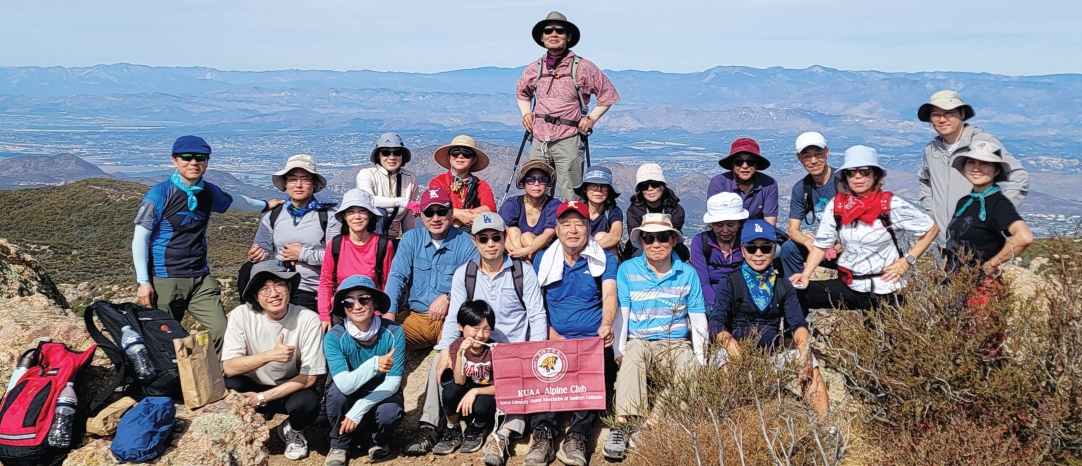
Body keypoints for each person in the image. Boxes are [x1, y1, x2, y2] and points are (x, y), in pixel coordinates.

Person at [132, 135, 281, 353]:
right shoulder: (159, 195)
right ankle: (172, 383)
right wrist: (144, 282)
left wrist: (266, 205)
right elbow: (140, 239)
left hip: (200, 277)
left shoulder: (208, 192)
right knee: (165, 339)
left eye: (200, 157)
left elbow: (235, 202)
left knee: (221, 330)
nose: (194, 162)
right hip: (166, 278)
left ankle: (216, 381)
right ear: (175, 161)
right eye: (187, 157)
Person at [425, 212, 547, 465]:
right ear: (474, 242)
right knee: (438, 368)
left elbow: (536, 314)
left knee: (518, 386)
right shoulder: (465, 274)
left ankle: (500, 432)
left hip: (511, 352)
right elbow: (454, 316)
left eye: (495, 237)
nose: (490, 244)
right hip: (476, 349)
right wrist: (446, 349)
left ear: (504, 238)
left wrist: (534, 351)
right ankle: (431, 426)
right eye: (483, 238)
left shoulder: (522, 272)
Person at [604, 213, 708, 460]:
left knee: (689, 366)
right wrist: (619, 350)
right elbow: (623, 313)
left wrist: (701, 358)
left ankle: (652, 423)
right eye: (649, 238)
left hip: (675, 342)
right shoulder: (628, 270)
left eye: (662, 237)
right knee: (633, 353)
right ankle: (622, 424)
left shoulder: (687, 274)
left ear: (673, 240)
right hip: (640, 338)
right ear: (641, 242)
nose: (656, 244)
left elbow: (697, 318)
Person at [790, 146, 939, 310]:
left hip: (885, 289)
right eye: (851, 172)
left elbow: (931, 228)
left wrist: (907, 261)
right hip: (850, 286)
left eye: (865, 171)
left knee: (881, 334)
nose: (857, 177)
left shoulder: (890, 205)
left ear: (875, 175)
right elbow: (821, 245)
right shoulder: (837, 206)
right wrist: (805, 274)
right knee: (790, 293)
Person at [529, 200, 618, 466]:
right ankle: (543, 434)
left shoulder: (604, 259)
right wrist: (549, 332)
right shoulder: (544, 259)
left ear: (589, 229)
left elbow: (610, 294)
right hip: (555, 338)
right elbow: (535, 303)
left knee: (596, 370)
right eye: (566, 224)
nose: (573, 230)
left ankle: (577, 436)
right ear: (556, 230)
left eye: (579, 224)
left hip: (592, 340)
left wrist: (607, 323)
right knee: (542, 370)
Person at [708, 220, 829, 415]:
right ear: (743, 250)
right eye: (751, 248)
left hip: (771, 355)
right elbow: (716, 321)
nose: (758, 254)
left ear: (774, 250)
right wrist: (730, 344)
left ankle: (826, 424)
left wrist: (804, 350)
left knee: (810, 362)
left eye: (765, 248)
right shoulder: (730, 282)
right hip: (735, 353)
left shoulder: (782, 285)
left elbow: (797, 323)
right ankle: (734, 420)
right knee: (725, 363)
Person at [222, 261, 326, 461]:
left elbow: (309, 378)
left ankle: (292, 429)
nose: (274, 294)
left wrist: (261, 398)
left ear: (289, 288)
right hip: (251, 385)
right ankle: (247, 428)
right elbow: (229, 367)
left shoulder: (307, 319)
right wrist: (269, 355)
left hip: (290, 387)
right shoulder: (241, 316)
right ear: (255, 296)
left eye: (279, 285)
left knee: (309, 403)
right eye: (264, 289)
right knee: (229, 386)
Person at [517, 11, 620, 202]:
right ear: (542, 37)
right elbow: (522, 92)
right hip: (539, 138)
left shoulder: (583, 67)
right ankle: (543, 229)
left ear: (568, 37)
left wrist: (591, 118)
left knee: (570, 193)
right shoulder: (535, 68)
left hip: (569, 137)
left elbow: (607, 94)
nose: (553, 34)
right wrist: (526, 114)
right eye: (548, 31)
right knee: (537, 192)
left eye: (559, 30)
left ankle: (571, 230)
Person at [916, 90, 1029, 251]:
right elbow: (925, 181)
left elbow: (1019, 176)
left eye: (949, 113)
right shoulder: (932, 149)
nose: (942, 119)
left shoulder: (983, 142)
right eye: (936, 115)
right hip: (946, 242)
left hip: (982, 243)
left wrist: (996, 214)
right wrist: (932, 212)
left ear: (962, 114)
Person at [323, 274, 406, 466]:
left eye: (363, 299)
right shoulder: (334, 338)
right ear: (343, 307)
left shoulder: (394, 332)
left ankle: (378, 441)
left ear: (375, 302)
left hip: (381, 391)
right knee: (336, 394)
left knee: (390, 411)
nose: (357, 306)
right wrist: (375, 364)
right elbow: (344, 384)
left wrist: (358, 410)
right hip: (349, 393)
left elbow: (393, 381)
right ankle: (339, 444)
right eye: (349, 302)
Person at [383, 186, 478, 351]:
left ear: (451, 212)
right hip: (416, 318)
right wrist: (389, 313)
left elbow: (474, 283)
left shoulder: (467, 243)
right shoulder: (411, 239)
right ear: (421, 214)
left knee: (455, 354)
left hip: (452, 319)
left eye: (441, 211)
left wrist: (449, 297)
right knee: (380, 340)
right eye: (429, 213)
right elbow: (397, 277)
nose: (436, 218)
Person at [944, 141, 1034, 304]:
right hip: (954, 285)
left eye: (984, 163)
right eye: (971, 162)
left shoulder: (998, 203)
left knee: (977, 329)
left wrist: (991, 265)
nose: (976, 168)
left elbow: (1023, 237)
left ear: (997, 170)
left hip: (980, 290)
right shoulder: (965, 202)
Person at [249, 154, 340, 312]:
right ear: (285, 183)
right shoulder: (273, 214)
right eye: (292, 179)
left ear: (314, 184)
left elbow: (338, 257)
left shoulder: (329, 215)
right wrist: (258, 255)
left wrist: (303, 254)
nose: (298, 185)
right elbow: (262, 246)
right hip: (277, 286)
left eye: (305, 179)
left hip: (312, 290)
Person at [318, 189, 394, 332]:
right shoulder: (335, 245)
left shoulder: (383, 245)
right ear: (345, 216)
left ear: (370, 215)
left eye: (362, 211)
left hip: (371, 311)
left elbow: (387, 283)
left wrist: (383, 313)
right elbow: (326, 282)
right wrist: (324, 316)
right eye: (351, 212)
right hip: (341, 310)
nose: (357, 217)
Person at [432, 300, 499, 457]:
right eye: (475, 329)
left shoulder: (494, 349)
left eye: (487, 329)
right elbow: (460, 381)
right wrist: (461, 354)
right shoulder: (456, 346)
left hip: (485, 397)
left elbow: (500, 386)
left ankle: (478, 427)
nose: (481, 335)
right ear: (461, 326)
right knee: (450, 391)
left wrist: (475, 391)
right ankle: (452, 428)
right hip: (464, 400)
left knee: (483, 403)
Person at [779, 132, 842, 279]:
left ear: (827, 152)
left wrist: (838, 247)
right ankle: (795, 295)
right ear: (799, 159)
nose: (813, 161)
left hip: (849, 248)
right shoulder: (802, 188)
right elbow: (792, 230)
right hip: (824, 249)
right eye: (807, 156)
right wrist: (808, 242)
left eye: (818, 154)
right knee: (789, 248)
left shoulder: (843, 181)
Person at [355, 132, 420, 241]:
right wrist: (404, 202)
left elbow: (408, 218)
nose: (392, 157)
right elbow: (368, 200)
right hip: (367, 239)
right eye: (386, 153)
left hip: (392, 240)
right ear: (378, 155)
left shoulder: (409, 178)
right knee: (380, 212)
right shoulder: (367, 175)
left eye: (397, 152)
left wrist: (409, 242)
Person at [690, 192, 749, 307]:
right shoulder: (700, 242)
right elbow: (702, 281)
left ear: (739, 223)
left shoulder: (746, 241)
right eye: (719, 225)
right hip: (710, 299)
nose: (725, 230)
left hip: (740, 298)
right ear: (711, 224)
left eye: (731, 225)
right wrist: (717, 307)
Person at [428, 135, 497, 230]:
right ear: (449, 157)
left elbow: (491, 208)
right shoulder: (439, 181)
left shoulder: (480, 185)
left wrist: (460, 219)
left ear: (473, 160)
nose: (460, 156)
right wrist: (459, 214)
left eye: (467, 153)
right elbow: (435, 205)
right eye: (455, 152)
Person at [707, 137, 779, 225]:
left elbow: (770, 223)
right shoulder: (719, 183)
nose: (744, 166)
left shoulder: (768, 184)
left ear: (757, 164)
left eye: (750, 161)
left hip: (757, 235)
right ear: (732, 164)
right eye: (739, 161)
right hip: (726, 234)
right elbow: (715, 221)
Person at [622, 163, 687, 260]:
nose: (650, 189)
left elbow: (671, 238)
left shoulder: (676, 210)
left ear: (663, 186)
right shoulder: (634, 210)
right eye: (644, 186)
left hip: (669, 247)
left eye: (655, 184)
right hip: (640, 249)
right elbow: (636, 238)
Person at [499, 160, 560, 260]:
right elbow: (504, 233)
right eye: (531, 180)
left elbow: (548, 234)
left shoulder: (554, 205)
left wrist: (527, 250)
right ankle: (522, 265)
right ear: (523, 184)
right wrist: (519, 253)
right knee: (513, 230)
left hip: (547, 254)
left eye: (542, 179)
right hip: (517, 251)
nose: (537, 184)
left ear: (547, 183)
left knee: (526, 236)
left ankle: (524, 266)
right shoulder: (512, 204)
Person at [573, 166, 623, 257]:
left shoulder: (613, 211)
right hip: (577, 253)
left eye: (603, 186)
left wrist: (588, 250)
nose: (598, 190)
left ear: (608, 191)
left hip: (594, 254)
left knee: (601, 236)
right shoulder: (576, 211)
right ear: (585, 189)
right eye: (593, 185)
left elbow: (615, 235)